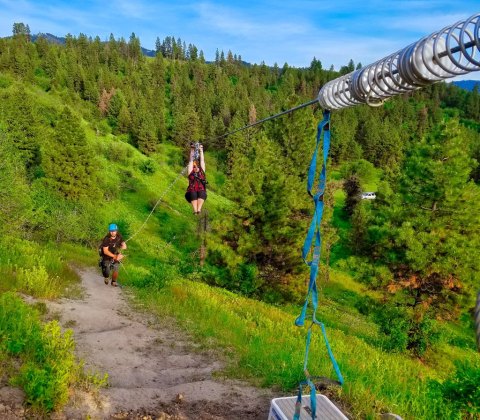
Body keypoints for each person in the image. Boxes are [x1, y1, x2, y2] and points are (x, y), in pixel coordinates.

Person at [185, 143, 207, 214]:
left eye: (197, 166)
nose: (196, 168)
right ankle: (195, 210)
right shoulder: (190, 172)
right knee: (193, 193)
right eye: (194, 167)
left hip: (201, 190)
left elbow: (202, 161)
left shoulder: (202, 172)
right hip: (191, 192)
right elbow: (191, 161)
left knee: (202, 193)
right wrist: (192, 150)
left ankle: (199, 210)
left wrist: (201, 150)